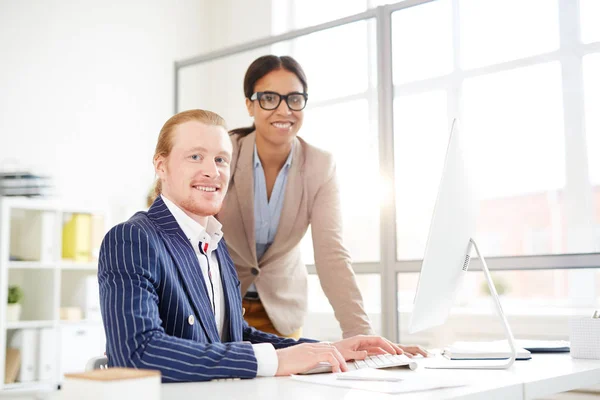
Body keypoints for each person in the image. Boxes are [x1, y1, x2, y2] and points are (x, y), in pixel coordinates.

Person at [98, 109, 420, 382]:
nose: (212, 171)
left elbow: (234, 336)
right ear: (161, 166)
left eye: (221, 159)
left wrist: (329, 349)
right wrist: (275, 362)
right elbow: (137, 353)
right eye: (195, 156)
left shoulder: (214, 244)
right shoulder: (133, 239)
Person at [218, 55, 375, 339]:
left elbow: (332, 254)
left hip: (280, 312)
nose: (283, 110)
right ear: (250, 105)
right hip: (219, 305)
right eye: (269, 98)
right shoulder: (225, 154)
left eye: (294, 98)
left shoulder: (320, 166)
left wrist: (359, 333)